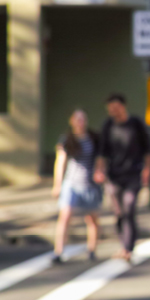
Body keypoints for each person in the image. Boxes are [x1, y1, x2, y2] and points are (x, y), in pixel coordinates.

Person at [94, 94, 150, 261]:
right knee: (119, 212)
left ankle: (128, 247)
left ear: (123, 106)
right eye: (110, 109)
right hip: (114, 175)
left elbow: (147, 149)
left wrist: (147, 170)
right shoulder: (108, 126)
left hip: (133, 173)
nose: (113, 111)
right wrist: (100, 170)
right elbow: (102, 152)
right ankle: (123, 244)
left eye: (116, 107)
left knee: (129, 206)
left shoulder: (135, 124)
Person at [51, 109, 102, 264]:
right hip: (71, 183)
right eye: (77, 119)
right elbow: (61, 162)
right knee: (65, 216)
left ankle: (92, 249)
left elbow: (100, 158)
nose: (80, 122)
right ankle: (59, 251)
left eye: (83, 119)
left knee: (91, 218)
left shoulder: (93, 138)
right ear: (71, 121)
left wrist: (100, 172)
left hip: (90, 184)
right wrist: (57, 185)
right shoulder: (67, 139)